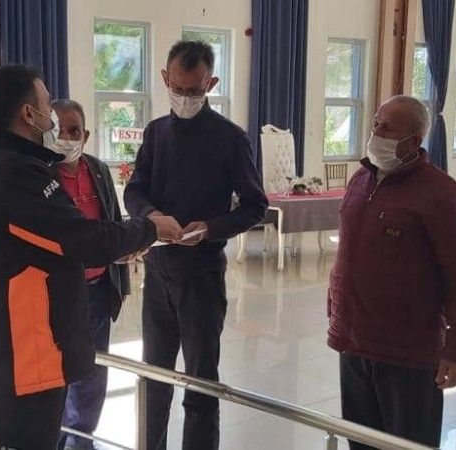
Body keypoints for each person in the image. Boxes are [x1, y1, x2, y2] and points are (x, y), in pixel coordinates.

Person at [0, 65, 183, 450]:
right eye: (47, 108)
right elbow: (82, 239)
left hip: (8, 347)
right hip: (26, 355)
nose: (53, 122)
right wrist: (151, 227)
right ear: (29, 114)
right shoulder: (14, 173)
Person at [124, 40, 268, 450]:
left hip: (201, 278)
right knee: (154, 378)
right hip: (158, 276)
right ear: (165, 78)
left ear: (211, 83)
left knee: (201, 383)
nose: (185, 97)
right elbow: (134, 190)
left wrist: (212, 227)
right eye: (178, 88)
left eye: (194, 90)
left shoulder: (230, 138)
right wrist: (152, 216)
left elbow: (255, 205)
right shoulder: (155, 133)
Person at [326, 95, 456, 449]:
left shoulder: (441, 195)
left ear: (413, 141)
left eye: (387, 128)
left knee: (407, 444)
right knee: (361, 442)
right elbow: (349, 254)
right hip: (354, 343)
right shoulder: (360, 181)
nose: (376, 132)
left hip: (407, 353)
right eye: (376, 123)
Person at [49, 99, 131, 450]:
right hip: (58, 294)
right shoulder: (39, 174)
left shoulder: (97, 169)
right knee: (58, 371)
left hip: (98, 289)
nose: (67, 137)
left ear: (85, 135)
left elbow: (112, 222)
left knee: (94, 370)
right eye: (59, 130)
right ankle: (55, 439)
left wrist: (124, 255)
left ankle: (83, 439)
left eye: (74, 131)